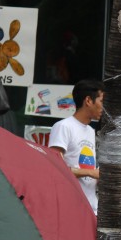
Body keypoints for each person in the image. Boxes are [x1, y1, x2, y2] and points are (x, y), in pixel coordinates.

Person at [49, 79, 103, 215]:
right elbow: (55, 167)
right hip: (69, 205)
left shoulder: (91, 131)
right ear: (89, 101)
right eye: (102, 101)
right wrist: (91, 173)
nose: (104, 107)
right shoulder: (63, 126)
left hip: (91, 206)